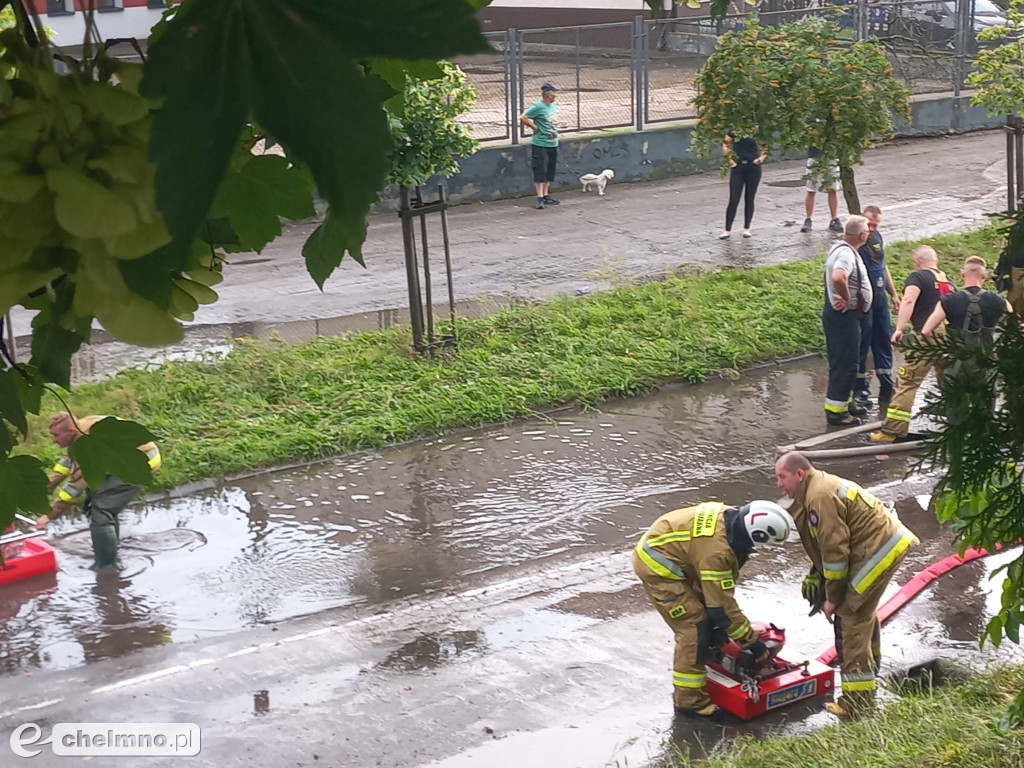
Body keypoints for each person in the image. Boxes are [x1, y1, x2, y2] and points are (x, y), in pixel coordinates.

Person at [775, 451, 918, 717]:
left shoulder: (819, 497)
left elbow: (835, 552)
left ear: (799, 474)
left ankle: (857, 705)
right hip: (883, 546)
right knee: (862, 613)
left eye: (782, 477)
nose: (779, 484)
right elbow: (828, 545)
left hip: (876, 553)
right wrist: (816, 572)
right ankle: (870, 670)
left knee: (850, 619)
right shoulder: (819, 487)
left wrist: (832, 598)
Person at [633, 499, 794, 719]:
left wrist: (720, 628)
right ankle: (689, 702)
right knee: (694, 628)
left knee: (708, 617)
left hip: (682, 556)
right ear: (755, 533)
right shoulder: (717, 552)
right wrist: (753, 643)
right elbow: (722, 608)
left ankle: (706, 657)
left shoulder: (731, 521)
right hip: (658, 567)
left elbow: (716, 594)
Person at [36, 413, 161, 571]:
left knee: (101, 508)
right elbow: (64, 466)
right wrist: (39, 492)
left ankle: (106, 567)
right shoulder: (82, 430)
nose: (53, 440)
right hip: (118, 459)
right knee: (99, 500)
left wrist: (49, 515)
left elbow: (73, 490)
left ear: (71, 431)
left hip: (141, 463)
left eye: (56, 435)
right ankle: (111, 548)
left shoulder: (86, 446)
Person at [869, 246, 954, 443]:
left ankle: (892, 432)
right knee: (948, 381)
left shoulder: (918, 277)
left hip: (928, 334)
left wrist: (899, 329)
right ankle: (959, 424)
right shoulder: (947, 279)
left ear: (917, 261)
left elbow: (908, 300)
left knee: (908, 380)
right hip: (949, 334)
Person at [822, 216, 873, 426]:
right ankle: (836, 413)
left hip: (847, 317)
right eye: (868, 231)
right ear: (861, 235)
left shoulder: (842, 249)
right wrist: (847, 298)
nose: (869, 234)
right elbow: (838, 277)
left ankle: (846, 404)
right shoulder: (845, 254)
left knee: (851, 362)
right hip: (844, 317)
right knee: (845, 363)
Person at [853, 205, 899, 412]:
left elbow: (883, 266)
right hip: (863, 302)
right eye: (869, 224)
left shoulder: (877, 238)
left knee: (884, 339)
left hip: (879, 300)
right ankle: (860, 389)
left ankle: (887, 385)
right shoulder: (855, 243)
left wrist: (894, 294)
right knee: (862, 344)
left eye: (875, 224)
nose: (871, 228)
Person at [519, 82, 560, 210]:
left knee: (549, 168)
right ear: (548, 94)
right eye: (554, 93)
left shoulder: (553, 105)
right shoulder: (538, 106)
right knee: (540, 169)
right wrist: (534, 127)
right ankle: (540, 197)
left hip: (552, 142)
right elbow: (523, 117)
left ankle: (546, 194)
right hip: (540, 143)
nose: (556, 95)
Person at [719, 131, 767, 240]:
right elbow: (725, 144)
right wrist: (731, 161)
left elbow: (765, 146)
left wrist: (760, 159)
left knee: (749, 198)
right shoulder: (735, 129)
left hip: (753, 168)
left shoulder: (756, 128)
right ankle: (727, 230)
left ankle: (747, 229)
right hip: (738, 168)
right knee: (734, 199)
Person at [800, 147, 843, 234]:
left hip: (832, 157)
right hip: (815, 157)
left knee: (832, 189)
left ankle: (834, 219)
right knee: (811, 190)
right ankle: (808, 219)